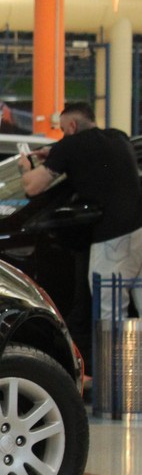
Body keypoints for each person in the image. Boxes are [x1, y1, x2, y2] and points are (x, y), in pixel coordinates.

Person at [19, 102, 142, 322]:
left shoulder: (69, 145)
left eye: (63, 130)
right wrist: (56, 155)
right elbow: (92, 157)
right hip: (138, 231)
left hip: (112, 241)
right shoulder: (119, 137)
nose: (63, 136)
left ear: (72, 126)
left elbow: (32, 187)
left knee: (110, 312)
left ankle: (113, 347)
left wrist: (25, 167)